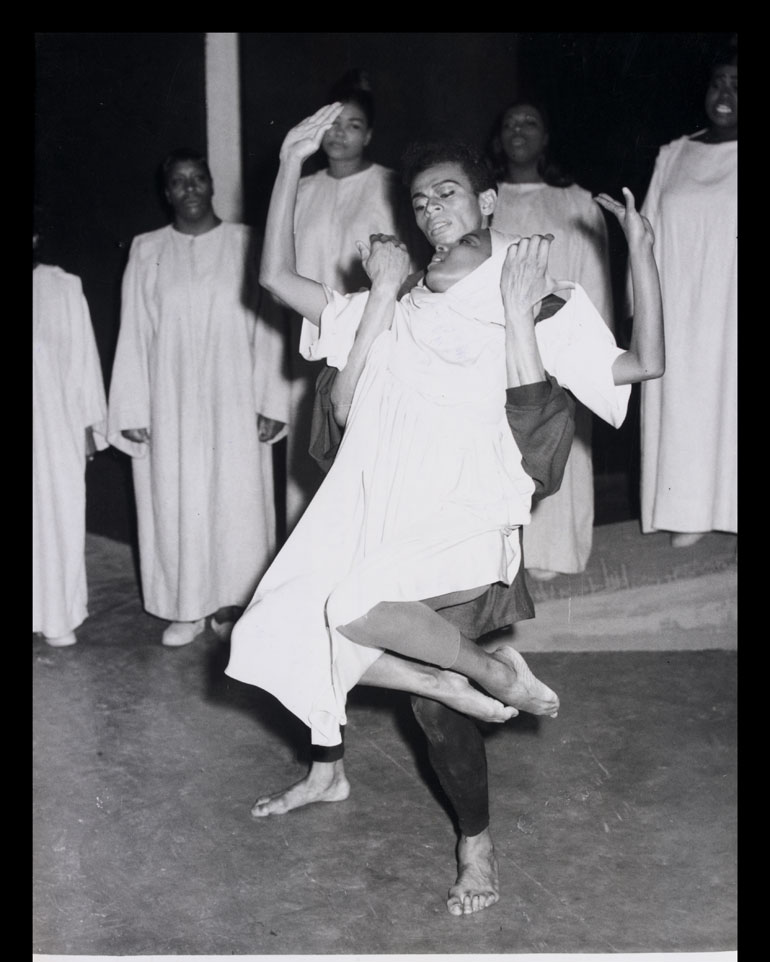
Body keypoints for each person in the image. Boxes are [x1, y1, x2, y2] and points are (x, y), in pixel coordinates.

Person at [225, 104, 664, 916]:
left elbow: (643, 363)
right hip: (383, 505)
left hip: (466, 509)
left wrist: (640, 254)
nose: (433, 211)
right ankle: (464, 685)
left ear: (489, 201)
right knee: (277, 626)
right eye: (421, 202)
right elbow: (276, 282)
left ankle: (477, 845)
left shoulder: (534, 290)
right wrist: (288, 161)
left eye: (450, 194)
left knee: (425, 704)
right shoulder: (392, 299)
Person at [107, 149, 285, 646]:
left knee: (236, 498)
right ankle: (186, 605)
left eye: (198, 179)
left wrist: (270, 398)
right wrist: (131, 407)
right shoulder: (146, 249)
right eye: (179, 182)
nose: (189, 189)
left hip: (234, 395)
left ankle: (233, 601)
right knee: (177, 495)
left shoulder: (246, 243)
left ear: (211, 185)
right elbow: (134, 331)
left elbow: (267, 324)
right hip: (171, 400)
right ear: (167, 194)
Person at [254, 70, 418, 534]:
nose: (340, 134)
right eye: (333, 123)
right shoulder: (300, 190)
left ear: (370, 135)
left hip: (368, 337)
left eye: (353, 125)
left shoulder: (390, 186)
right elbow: (275, 278)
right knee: (308, 465)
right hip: (306, 334)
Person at [488, 98, 615, 580]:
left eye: (530, 121)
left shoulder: (576, 202)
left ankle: (554, 551)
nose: (518, 129)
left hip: (558, 343)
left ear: (546, 136)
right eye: (509, 122)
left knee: (560, 441)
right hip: (495, 341)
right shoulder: (484, 198)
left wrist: (585, 352)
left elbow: (594, 282)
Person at [635, 43, 737, 547]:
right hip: (682, 307)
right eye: (718, 81)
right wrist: (642, 311)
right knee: (685, 399)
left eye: (738, 84)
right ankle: (690, 510)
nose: (725, 94)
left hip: (734, 308)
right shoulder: (673, 154)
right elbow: (646, 236)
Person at [33, 225, 108, 647]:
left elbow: (82, 360)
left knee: (53, 514)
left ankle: (55, 614)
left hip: (50, 429)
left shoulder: (60, 287)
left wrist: (86, 427)